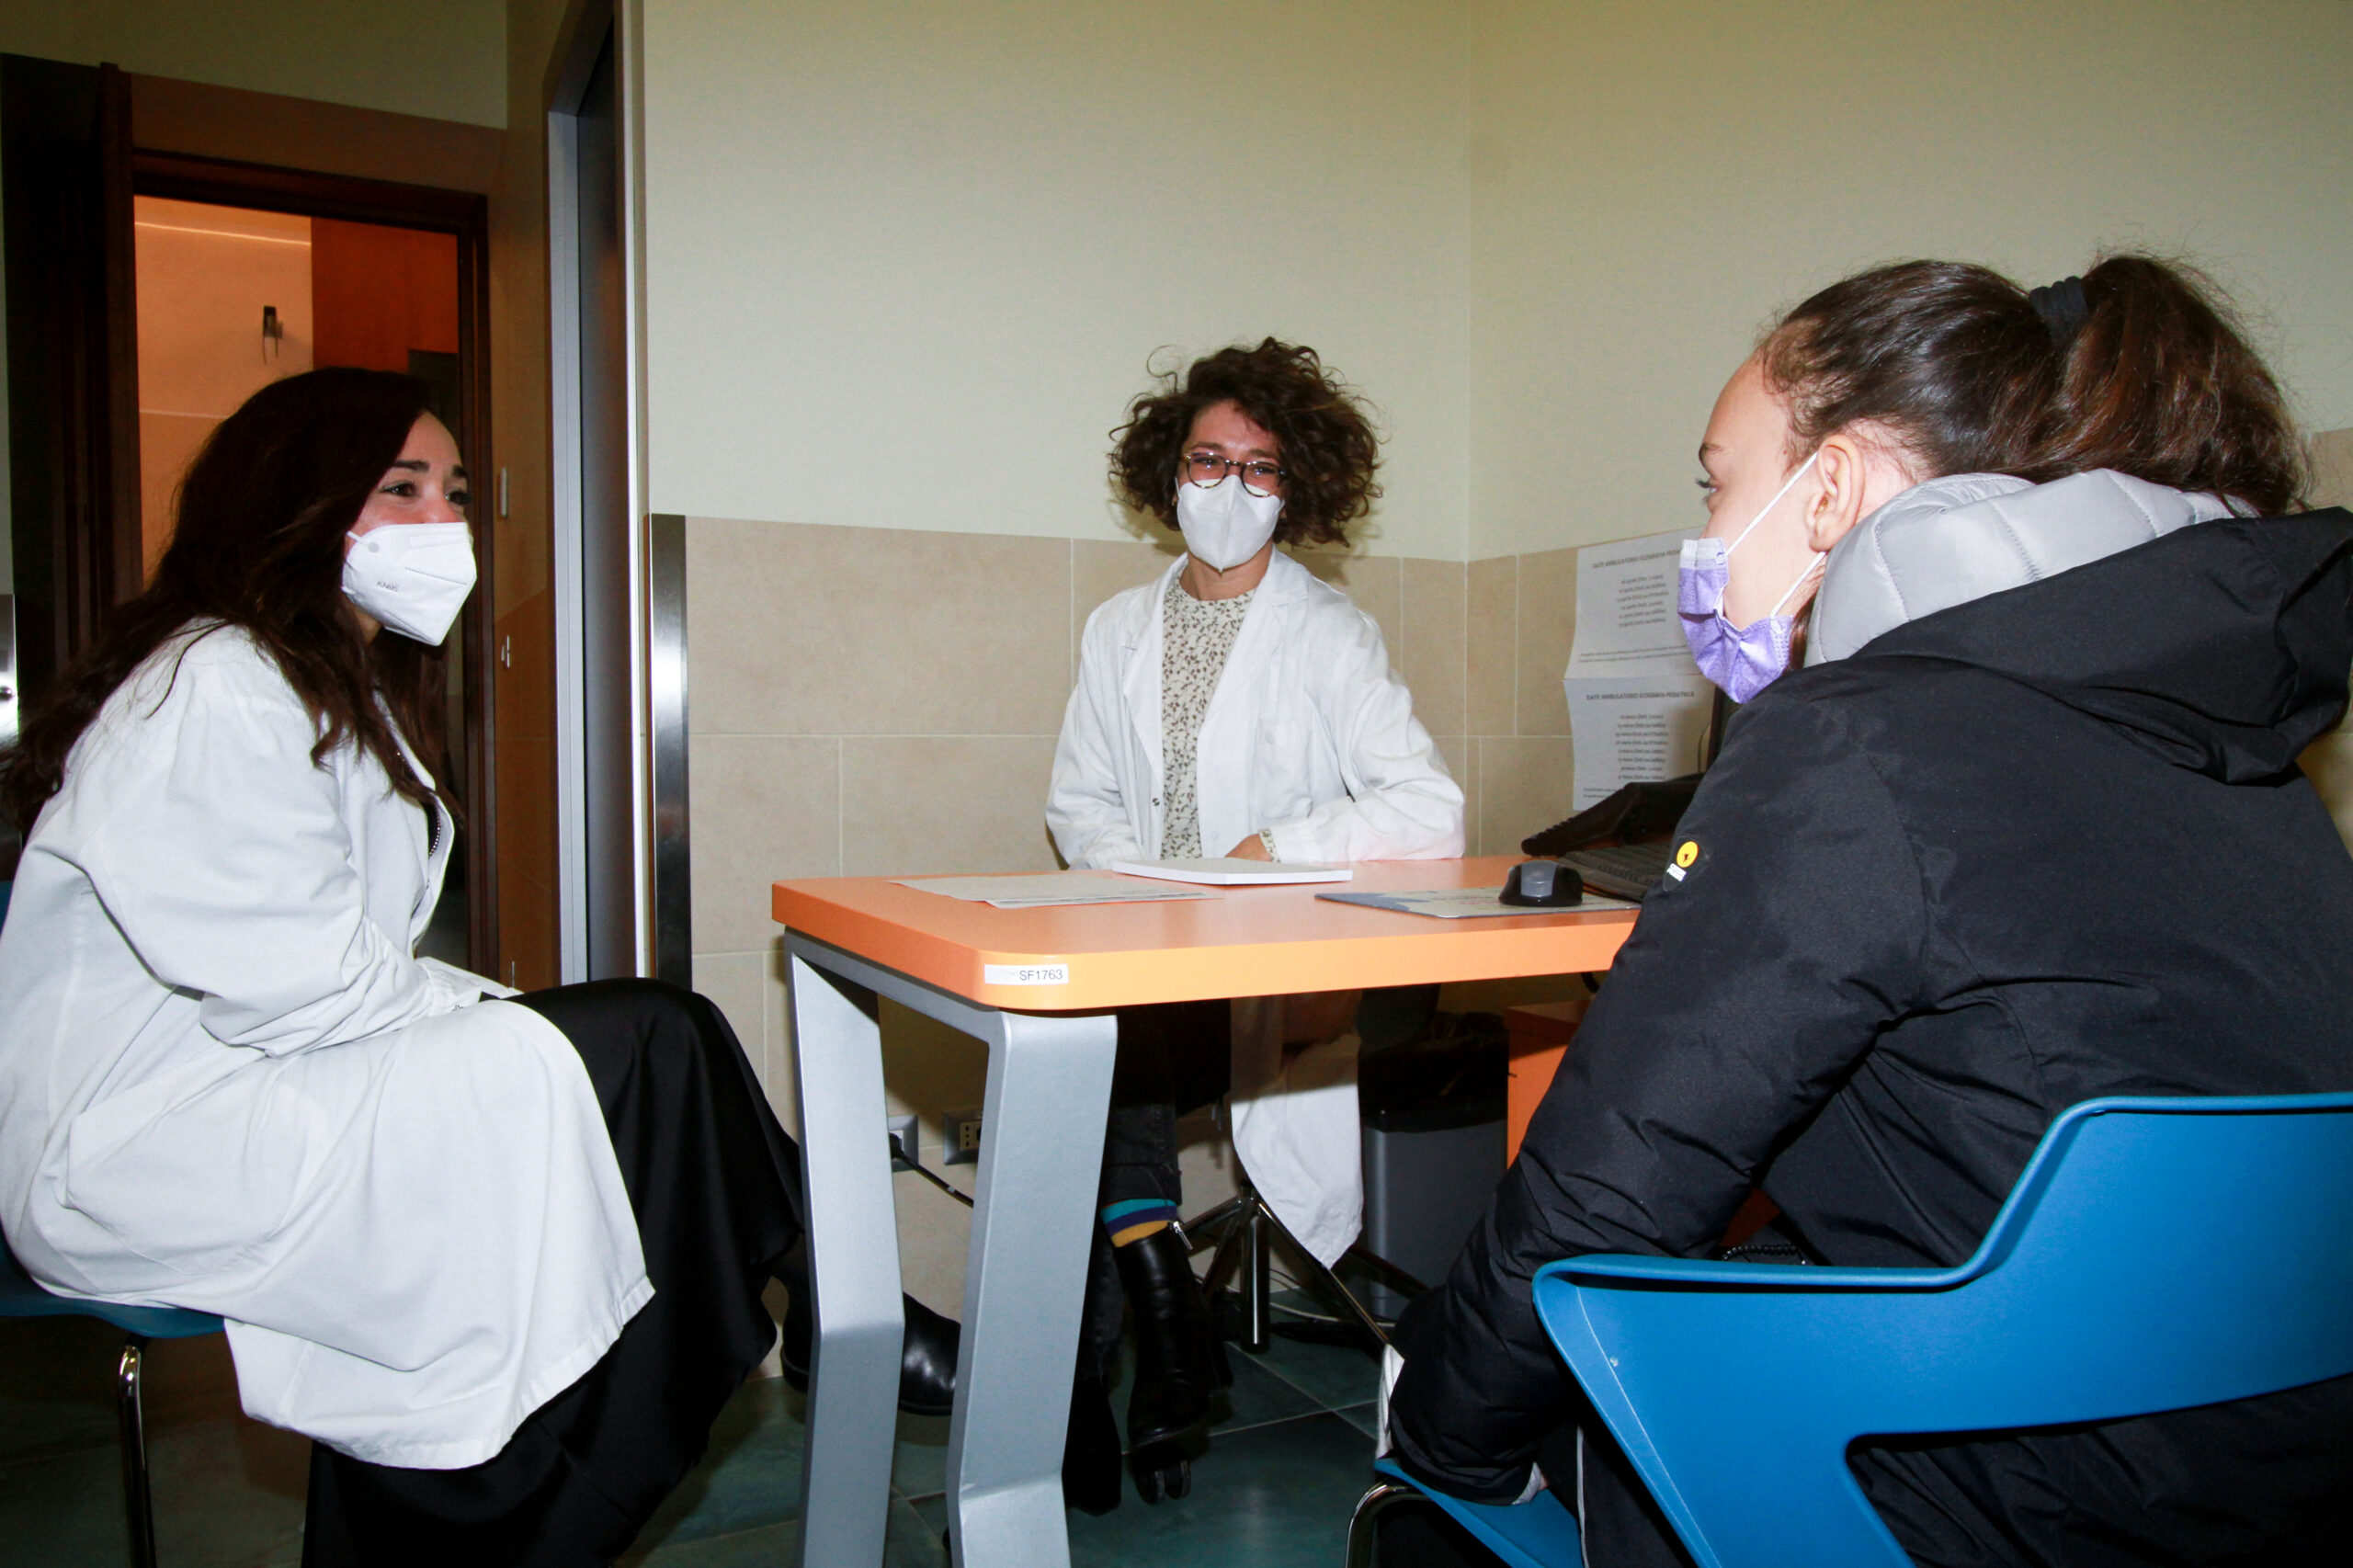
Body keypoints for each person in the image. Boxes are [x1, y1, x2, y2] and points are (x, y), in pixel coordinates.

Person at [1384, 256, 2353, 1566]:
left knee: (1450, 1442)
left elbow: (1605, 1195)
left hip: (1999, 1498)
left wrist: (1432, 1441)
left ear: (1829, 488)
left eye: (1717, 483)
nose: (1706, 532)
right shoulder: (2259, 769)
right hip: (2276, 1467)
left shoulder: (1855, 740)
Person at [0, 369, 956, 1567]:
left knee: (641, 1053)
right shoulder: (217, 681)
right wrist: (537, 1034)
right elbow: (302, 987)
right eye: (401, 488)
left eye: (453, 493)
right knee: (647, 1042)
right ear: (297, 499)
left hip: (268, 1079)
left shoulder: (333, 693)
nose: (441, 521)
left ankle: (820, 1297)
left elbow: (336, 974)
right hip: (147, 1143)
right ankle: (830, 1295)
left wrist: (529, 1031)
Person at [1047, 339, 1465, 1503]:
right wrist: (1140, 875)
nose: (1228, 488)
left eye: (1259, 467)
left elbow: (1429, 807)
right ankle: (1158, 1325)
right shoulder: (1116, 629)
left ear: (1296, 487)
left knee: (1094, 1055)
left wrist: (1270, 847)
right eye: (1206, 460)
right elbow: (1077, 800)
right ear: (1167, 470)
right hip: (1147, 953)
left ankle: (1103, 1372)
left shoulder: (1327, 631)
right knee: (1081, 1051)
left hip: (1272, 971)